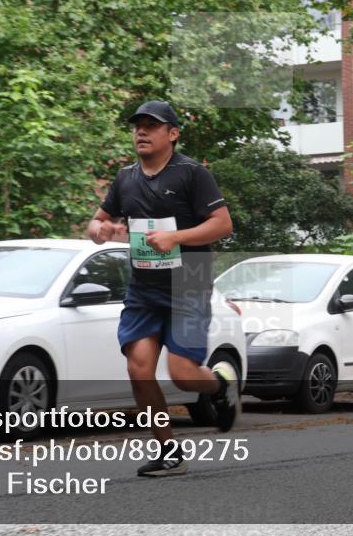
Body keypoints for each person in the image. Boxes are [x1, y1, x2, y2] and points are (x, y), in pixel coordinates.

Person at [87, 100, 239, 477]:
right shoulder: (125, 178)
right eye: (138, 125)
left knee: (184, 375)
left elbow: (222, 225)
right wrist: (99, 231)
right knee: (139, 369)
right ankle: (168, 449)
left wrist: (175, 237)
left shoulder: (191, 174)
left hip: (188, 282)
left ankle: (220, 385)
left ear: (172, 134)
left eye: (151, 126)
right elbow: (98, 222)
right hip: (144, 286)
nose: (141, 131)